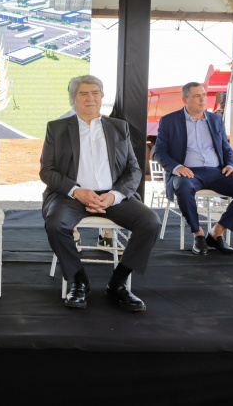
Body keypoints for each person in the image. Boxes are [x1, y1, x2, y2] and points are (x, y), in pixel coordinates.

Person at [41, 75, 161, 311]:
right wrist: (77, 192)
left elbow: (133, 169)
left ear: (102, 97)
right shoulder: (57, 128)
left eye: (95, 93)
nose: (90, 98)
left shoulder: (118, 127)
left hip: (112, 196)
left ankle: (118, 284)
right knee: (56, 225)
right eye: (84, 94)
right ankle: (78, 280)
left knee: (150, 223)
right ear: (73, 99)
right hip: (71, 196)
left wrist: (115, 196)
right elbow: (47, 171)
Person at [154, 82, 233, 256]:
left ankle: (216, 233)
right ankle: (198, 235)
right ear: (185, 99)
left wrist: (230, 165)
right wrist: (177, 167)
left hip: (216, 172)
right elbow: (159, 152)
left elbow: (226, 148)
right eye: (196, 96)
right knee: (183, 186)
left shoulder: (216, 119)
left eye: (203, 94)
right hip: (188, 172)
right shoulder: (169, 121)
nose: (202, 99)